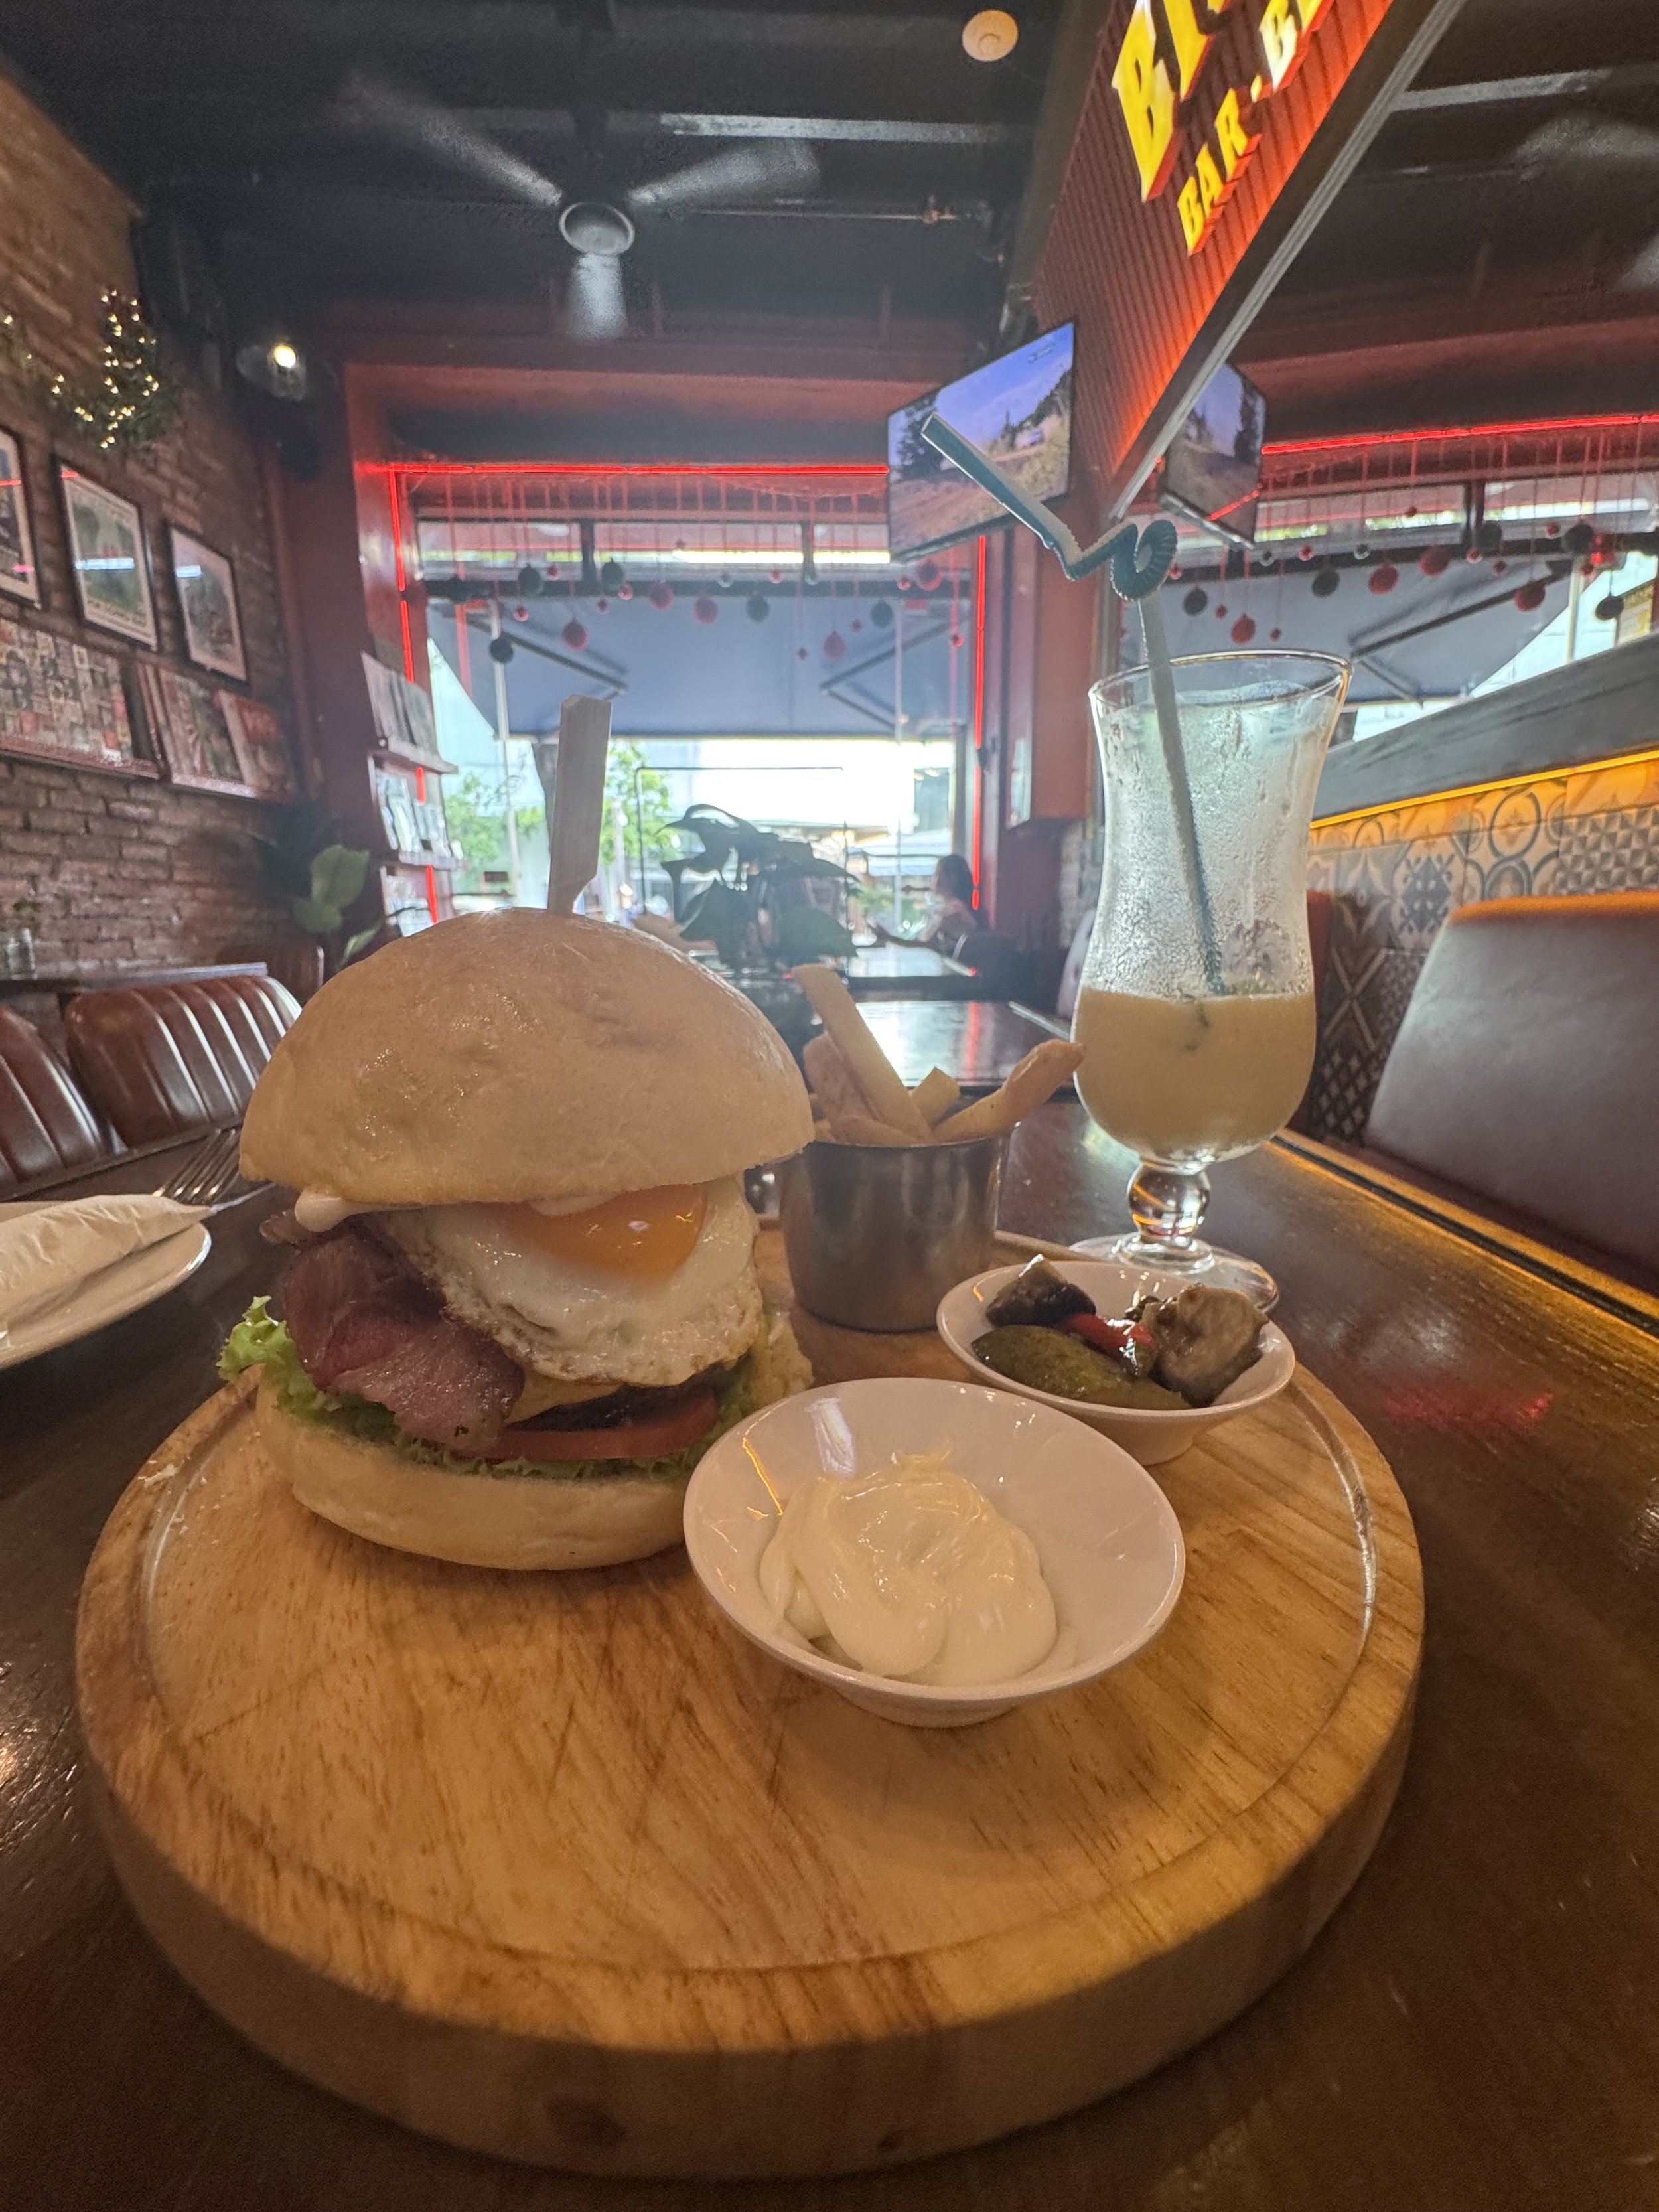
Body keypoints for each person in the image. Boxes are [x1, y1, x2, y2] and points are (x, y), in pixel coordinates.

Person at [875, 853, 978, 953]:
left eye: (937, 874)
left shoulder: (954, 911)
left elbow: (922, 944)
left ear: (952, 878)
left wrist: (888, 937)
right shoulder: (951, 909)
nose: (933, 879)